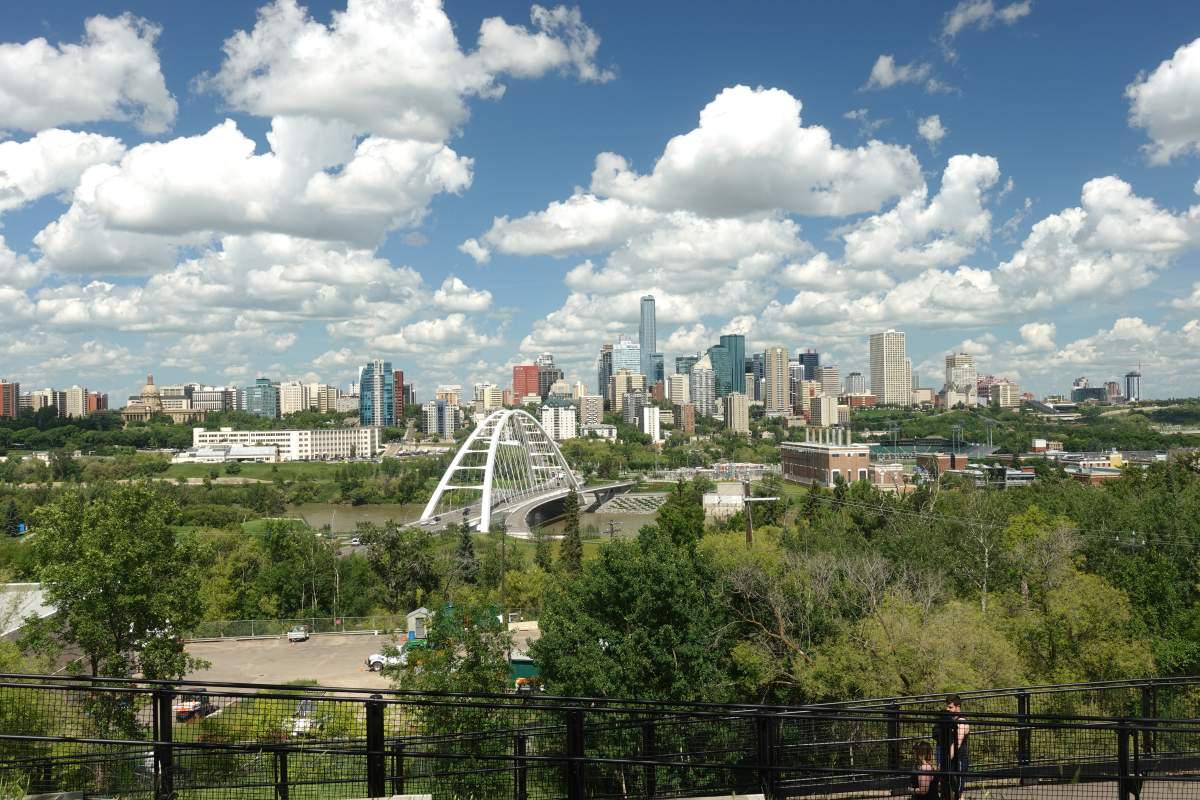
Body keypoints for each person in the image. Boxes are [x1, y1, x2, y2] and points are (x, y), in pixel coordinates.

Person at [944, 694, 970, 799]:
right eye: (947, 706)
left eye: (950, 707)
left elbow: (957, 743)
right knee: (951, 789)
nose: (947, 709)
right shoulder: (950, 720)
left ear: (957, 707)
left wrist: (946, 761)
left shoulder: (962, 721)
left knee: (958, 791)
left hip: (959, 759)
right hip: (952, 759)